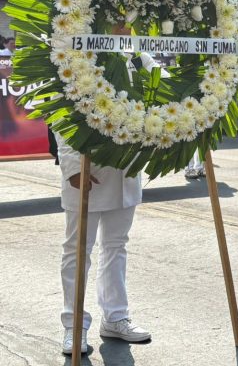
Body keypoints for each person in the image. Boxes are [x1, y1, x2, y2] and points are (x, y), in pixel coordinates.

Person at [57, 26, 151, 355]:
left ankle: (115, 317)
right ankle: (74, 325)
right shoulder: (79, 54)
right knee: (78, 250)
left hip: (125, 170)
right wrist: (70, 166)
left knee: (116, 245)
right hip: (88, 169)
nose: (124, 23)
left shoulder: (139, 57)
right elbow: (62, 112)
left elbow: (160, 95)